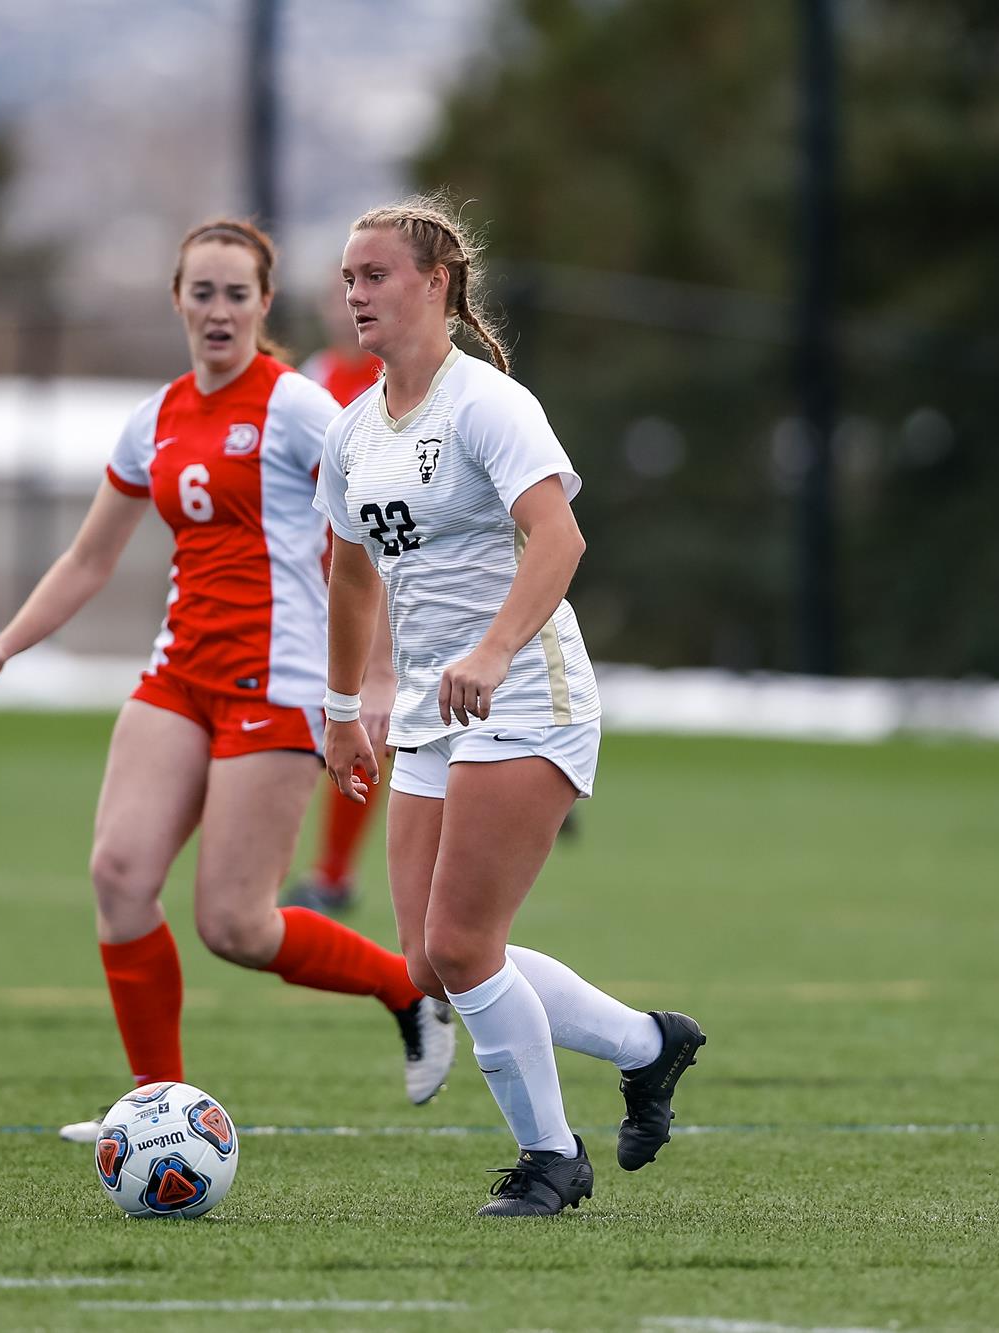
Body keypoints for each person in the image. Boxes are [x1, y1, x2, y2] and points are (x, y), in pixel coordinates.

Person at [0, 218, 455, 1139]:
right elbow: (89, 559)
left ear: (264, 306)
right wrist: (3, 647)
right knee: (118, 874)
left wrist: (376, 670)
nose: (218, 311)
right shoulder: (158, 417)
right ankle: (154, 1110)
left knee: (236, 924)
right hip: (178, 675)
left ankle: (404, 990)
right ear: (177, 301)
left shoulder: (299, 407)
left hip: (278, 682)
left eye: (237, 294)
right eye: (202, 293)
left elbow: (370, 536)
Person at [315, 196, 706, 1217]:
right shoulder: (355, 428)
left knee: (459, 943)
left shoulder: (485, 401)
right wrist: (340, 703)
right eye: (347, 277)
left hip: (528, 690)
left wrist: (491, 650)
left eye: (375, 274)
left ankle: (550, 1160)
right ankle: (647, 1044)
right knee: (432, 963)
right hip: (430, 708)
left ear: (435, 281)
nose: (354, 292)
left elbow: (559, 540)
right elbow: (350, 577)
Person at [282, 281, 391, 917]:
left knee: (381, 719)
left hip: (399, 577)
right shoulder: (313, 381)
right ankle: (331, 873)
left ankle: (330, 875)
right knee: (350, 717)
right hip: (332, 580)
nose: (350, 304)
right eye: (340, 291)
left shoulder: (408, 378)